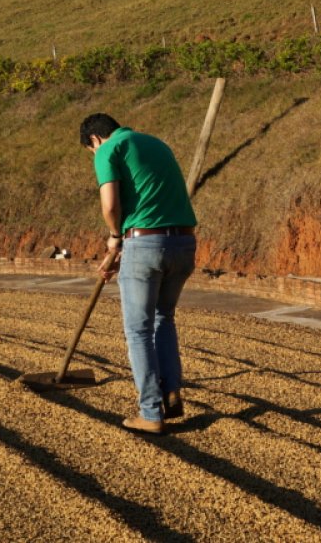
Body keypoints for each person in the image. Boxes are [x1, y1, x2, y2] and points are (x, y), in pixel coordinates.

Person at [80, 113, 197, 435]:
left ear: (94, 139)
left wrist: (115, 237)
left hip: (144, 243)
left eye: (91, 150)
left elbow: (110, 205)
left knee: (138, 330)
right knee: (163, 318)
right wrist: (123, 250)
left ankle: (150, 413)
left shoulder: (108, 149)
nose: (95, 155)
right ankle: (171, 391)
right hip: (183, 243)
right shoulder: (156, 143)